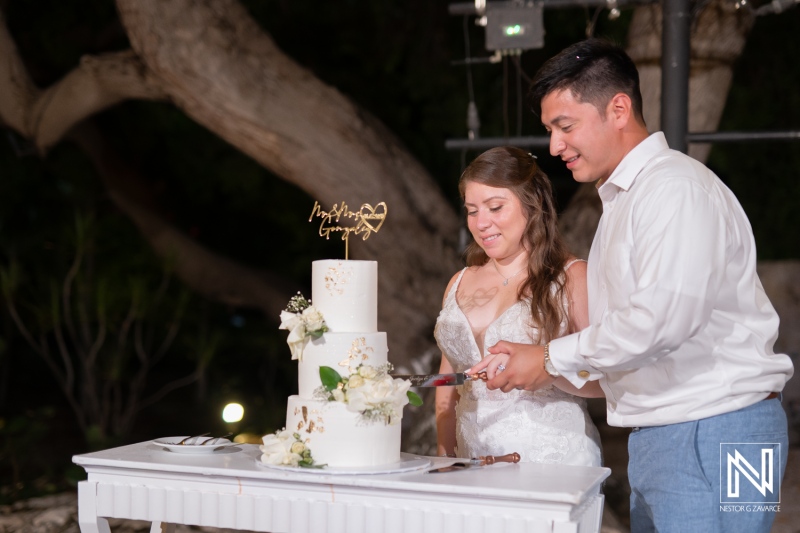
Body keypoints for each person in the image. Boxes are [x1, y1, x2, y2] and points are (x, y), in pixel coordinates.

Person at [468, 39, 794, 532]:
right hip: (668, 434)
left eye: (565, 126)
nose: (555, 146)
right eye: (551, 131)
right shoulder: (626, 203)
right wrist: (540, 371)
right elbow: (629, 353)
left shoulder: (675, 189)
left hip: (718, 428)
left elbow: (659, 322)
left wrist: (552, 356)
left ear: (618, 108)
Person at [434, 146, 604, 468]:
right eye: (472, 211)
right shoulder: (459, 281)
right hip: (472, 460)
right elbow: (448, 379)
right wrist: (445, 452)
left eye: (495, 207)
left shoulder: (570, 278)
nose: (481, 223)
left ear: (533, 205)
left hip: (550, 460)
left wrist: (547, 371)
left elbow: (607, 378)